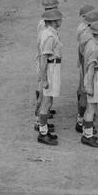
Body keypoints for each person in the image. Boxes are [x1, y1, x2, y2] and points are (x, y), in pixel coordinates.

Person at [36, 8, 63, 146]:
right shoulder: (50, 36)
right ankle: (42, 133)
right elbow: (44, 58)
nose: (61, 21)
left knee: (49, 100)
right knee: (47, 102)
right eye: (59, 19)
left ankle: (44, 129)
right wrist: (44, 78)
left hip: (53, 67)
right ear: (53, 21)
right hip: (51, 68)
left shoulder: (48, 32)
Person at [81, 21, 98, 148]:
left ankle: (86, 133)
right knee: (92, 108)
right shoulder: (96, 47)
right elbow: (91, 67)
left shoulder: (89, 43)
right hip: (94, 76)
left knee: (89, 107)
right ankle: (88, 137)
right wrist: (90, 86)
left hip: (89, 75)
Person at [35, 0, 60, 131]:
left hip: (46, 58)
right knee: (42, 91)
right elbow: (43, 47)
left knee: (45, 95)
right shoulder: (44, 26)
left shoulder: (47, 25)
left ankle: (41, 120)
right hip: (44, 59)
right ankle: (38, 121)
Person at [76, 8, 98, 133]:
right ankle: (82, 122)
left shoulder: (85, 32)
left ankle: (81, 120)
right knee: (85, 94)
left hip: (84, 63)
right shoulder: (88, 36)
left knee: (83, 92)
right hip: (86, 65)